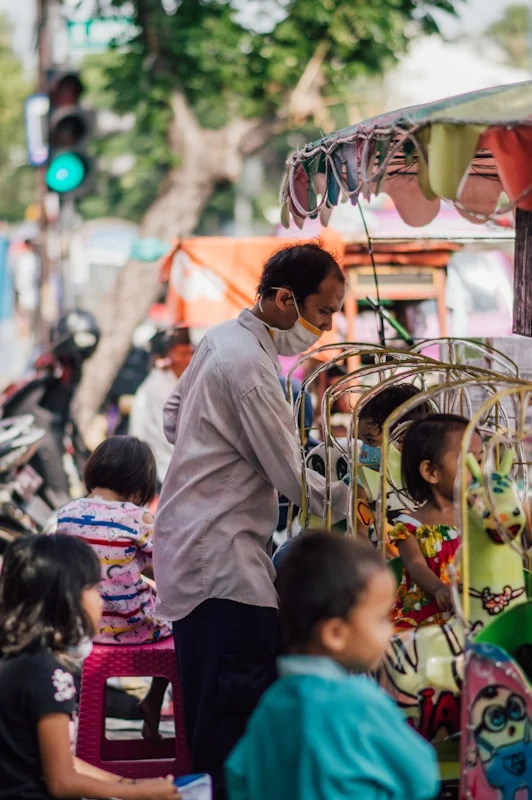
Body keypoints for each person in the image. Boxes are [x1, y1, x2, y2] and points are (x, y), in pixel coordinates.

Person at [154, 242, 348, 798]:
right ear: (285, 299)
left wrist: (214, 446)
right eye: (323, 312)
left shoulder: (221, 339)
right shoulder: (250, 368)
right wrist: (354, 495)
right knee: (229, 722)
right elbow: (292, 479)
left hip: (198, 548)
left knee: (214, 710)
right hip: (220, 561)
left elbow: (174, 420)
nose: (327, 327)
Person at [225, 531, 440, 800]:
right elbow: (422, 775)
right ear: (335, 634)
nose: (390, 630)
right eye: (381, 618)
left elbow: (238, 776)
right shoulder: (360, 702)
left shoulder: (271, 704)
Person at [0, 534, 179, 800]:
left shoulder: (22, 661)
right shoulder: (50, 674)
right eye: (94, 588)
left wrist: (131, 786)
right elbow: (62, 781)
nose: (101, 599)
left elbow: (64, 763)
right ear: (67, 599)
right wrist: (138, 794)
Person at [56, 436, 172, 741]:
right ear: (138, 485)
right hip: (131, 625)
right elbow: (167, 572)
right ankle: (155, 698)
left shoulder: (67, 513)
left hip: (79, 628)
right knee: (180, 623)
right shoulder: (139, 518)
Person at [389, 413, 483, 629]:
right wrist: (439, 589)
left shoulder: (480, 516)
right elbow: (415, 564)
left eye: (479, 461)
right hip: (434, 609)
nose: (478, 470)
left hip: (478, 602)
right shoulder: (410, 526)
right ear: (431, 472)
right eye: (467, 461)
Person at [130, 326, 194, 484]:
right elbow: (163, 432)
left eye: (190, 353)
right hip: (161, 465)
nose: (188, 359)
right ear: (170, 356)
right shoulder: (157, 385)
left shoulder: (181, 381)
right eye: (182, 354)